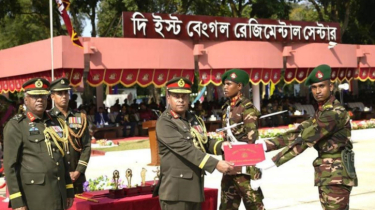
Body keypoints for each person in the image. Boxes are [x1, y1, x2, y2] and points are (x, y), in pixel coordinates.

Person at [256, 64, 358, 210]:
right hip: (327, 173)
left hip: (337, 174)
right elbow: (299, 131)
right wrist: (267, 144)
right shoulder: (322, 112)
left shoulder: (334, 113)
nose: (318, 91)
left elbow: (305, 140)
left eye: (322, 86)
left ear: (331, 86)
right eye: (314, 87)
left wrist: (272, 161)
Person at [154, 77, 235, 210]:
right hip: (175, 193)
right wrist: (215, 164)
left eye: (184, 96)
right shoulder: (165, 122)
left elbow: (204, 141)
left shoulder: (193, 118)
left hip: (194, 189)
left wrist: (222, 146)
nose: (181, 100)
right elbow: (187, 149)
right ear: (168, 98)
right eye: (176, 96)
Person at [3, 78, 74, 210]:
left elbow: (62, 158)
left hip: (58, 194)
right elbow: (10, 166)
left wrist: (69, 190)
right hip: (34, 197)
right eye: (35, 96)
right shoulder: (17, 126)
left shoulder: (55, 122)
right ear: (26, 100)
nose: (40, 99)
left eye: (42, 96)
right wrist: (17, 201)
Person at [219, 69, 264, 210]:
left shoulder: (247, 109)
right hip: (229, 167)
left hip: (245, 171)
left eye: (229, 84)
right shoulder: (226, 108)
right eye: (224, 84)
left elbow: (252, 142)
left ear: (239, 86)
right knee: (226, 206)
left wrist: (254, 172)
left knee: (254, 206)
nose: (225, 87)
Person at [49, 78, 91, 194]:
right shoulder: (47, 119)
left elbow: (86, 146)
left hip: (77, 176)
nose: (64, 96)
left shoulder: (80, 117)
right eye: (59, 93)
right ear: (52, 96)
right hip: (57, 176)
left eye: (65, 93)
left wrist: (78, 171)